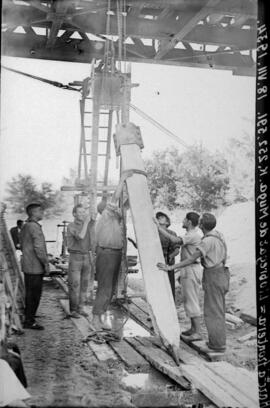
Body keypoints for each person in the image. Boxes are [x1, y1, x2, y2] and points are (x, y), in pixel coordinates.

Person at [157, 213, 230, 352]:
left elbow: (190, 258)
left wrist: (171, 267)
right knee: (214, 309)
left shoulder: (206, 240)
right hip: (220, 273)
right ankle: (213, 341)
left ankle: (217, 345)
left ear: (201, 225)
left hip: (212, 274)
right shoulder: (217, 235)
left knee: (212, 310)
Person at [91, 170, 133, 331]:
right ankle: (95, 318)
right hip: (107, 254)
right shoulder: (107, 216)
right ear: (106, 209)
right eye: (113, 208)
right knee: (105, 288)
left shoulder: (115, 219)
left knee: (110, 289)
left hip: (114, 254)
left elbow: (126, 205)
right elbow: (115, 200)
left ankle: (100, 318)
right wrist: (122, 180)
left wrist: (130, 188)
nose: (117, 209)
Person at [156, 212, 203, 339]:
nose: (182, 221)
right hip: (188, 269)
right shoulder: (190, 234)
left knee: (192, 300)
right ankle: (193, 329)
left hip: (191, 269)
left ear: (189, 222)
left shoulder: (193, 235)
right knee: (188, 300)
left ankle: (197, 332)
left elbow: (175, 241)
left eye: (184, 219)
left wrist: (159, 228)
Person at [20, 203, 49, 330]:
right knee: (34, 295)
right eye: (40, 211)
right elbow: (39, 248)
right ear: (34, 213)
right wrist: (46, 263)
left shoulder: (25, 226)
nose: (42, 213)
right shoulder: (35, 227)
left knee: (30, 294)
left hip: (28, 265)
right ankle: (29, 321)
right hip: (35, 267)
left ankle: (28, 317)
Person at [66, 204, 94, 318]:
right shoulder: (71, 226)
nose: (83, 214)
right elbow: (81, 237)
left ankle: (81, 308)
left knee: (84, 285)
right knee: (75, 285)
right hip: (75, 257)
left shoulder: (88, 225)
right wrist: (87, 223)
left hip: (87, 257)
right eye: (80, 212)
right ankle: (73, 310)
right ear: (74, 214)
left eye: (84, 212)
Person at [156, 211, 180, 300]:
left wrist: (171, 256)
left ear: (167, 222)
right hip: (156, 264)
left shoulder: (172, 233)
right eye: (157, 217)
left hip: (168, 264)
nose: (159, 218)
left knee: (169, 288)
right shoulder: (152, 233)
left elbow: (177, 250)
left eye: (161, 217)